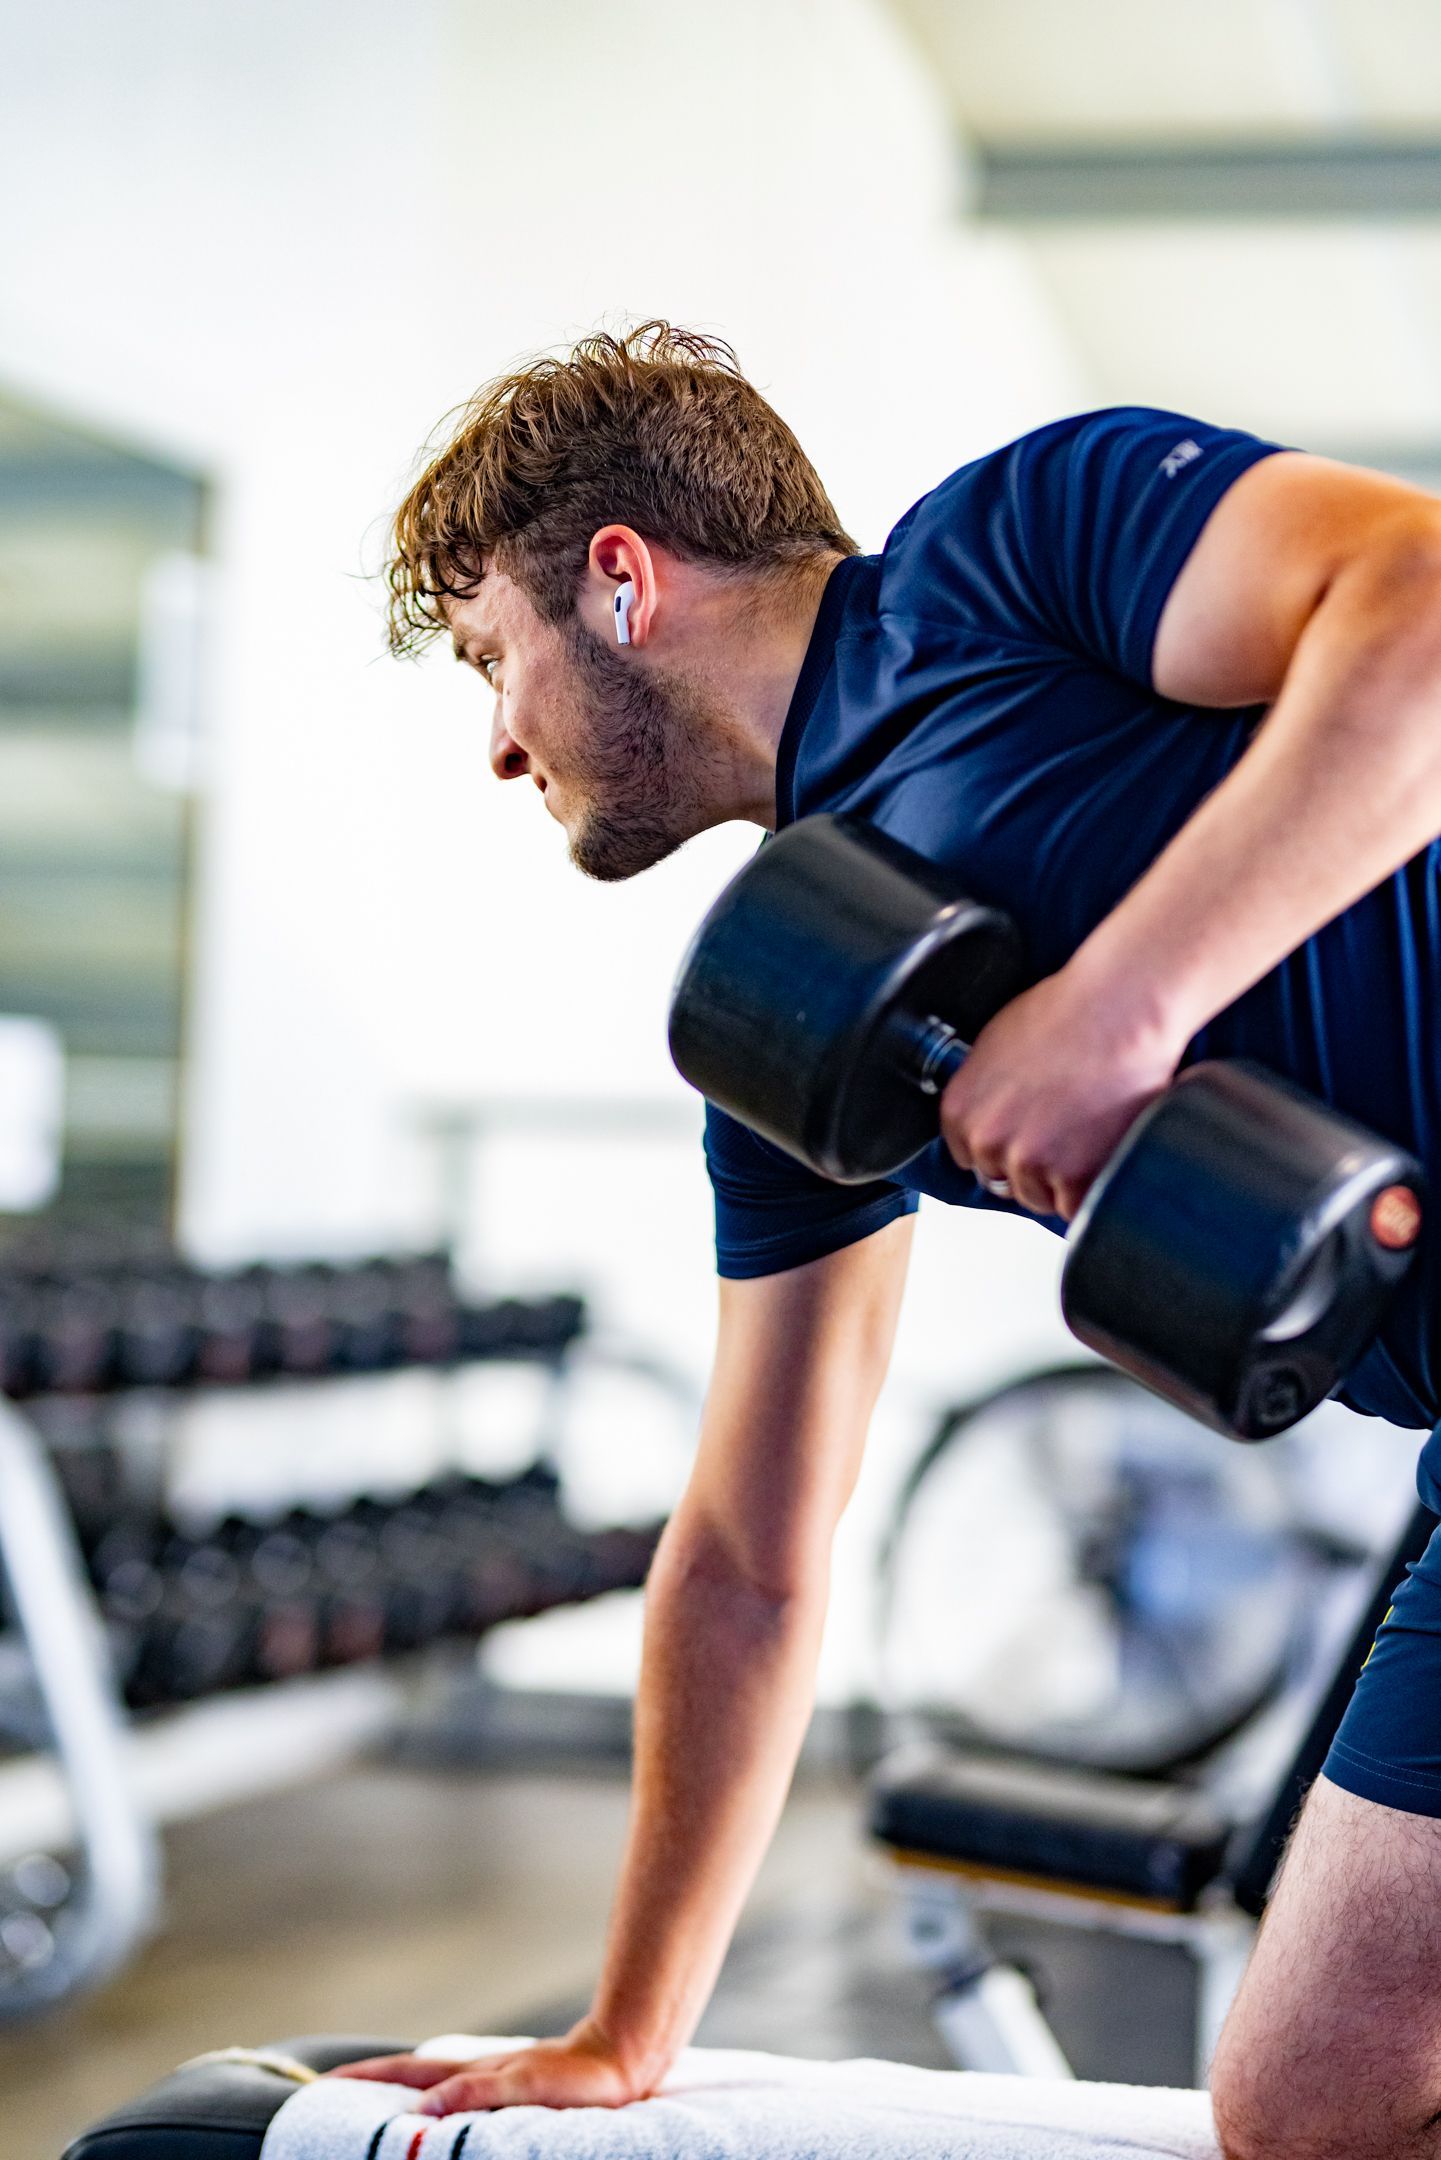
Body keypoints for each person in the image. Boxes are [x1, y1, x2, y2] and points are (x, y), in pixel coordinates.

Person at [340, 323, 1441, 2159]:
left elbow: (1421, 607)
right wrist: (625, 2030)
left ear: (619, 581)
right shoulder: (794, 1034)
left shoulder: (1011, 548)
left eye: (489, 659)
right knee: (1318, 2106)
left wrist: (1124, 1006)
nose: (498, 743)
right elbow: (749, 1552)